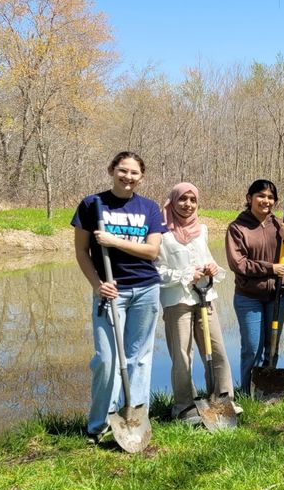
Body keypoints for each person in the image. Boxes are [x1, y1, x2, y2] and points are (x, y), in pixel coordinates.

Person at [72, 151, 166, 444]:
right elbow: (81, 253)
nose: (128, 177)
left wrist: (113, 241)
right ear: (112, 170)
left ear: (142, 176)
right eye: (123, 171)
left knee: (139, 358)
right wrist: (97, 284)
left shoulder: (149, 208)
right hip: (111, 291)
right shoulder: (91, 205)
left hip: (146, 289)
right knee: (107, 359)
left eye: (134, 173)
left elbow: (152, 251)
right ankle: (98, 424)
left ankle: (134, 418)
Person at [155, 182, 235, 425]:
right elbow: (156, 271)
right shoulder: (160, 232)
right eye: (182, 199)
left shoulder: (202, 229)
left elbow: (209, 260)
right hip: (177, 300)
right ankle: (184, 406)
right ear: (172, 201)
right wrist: (186, 276)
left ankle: (223, 399)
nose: (187, 204)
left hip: (204, 298)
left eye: (192, 200)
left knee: (217, 349)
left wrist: (212, 269)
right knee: (182, 355)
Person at [226, 180, 284, 393]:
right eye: (261, 195)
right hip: (249, 297)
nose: (266, 201)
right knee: (252, 348)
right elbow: (238, 264)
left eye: (270, 197)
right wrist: (270, 268)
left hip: (280, 295)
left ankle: (266, 390)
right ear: (249, 197)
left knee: (272, 345)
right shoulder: (237, 228)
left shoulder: (281, 225)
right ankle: (247, 392)